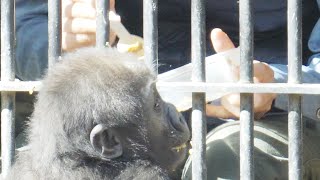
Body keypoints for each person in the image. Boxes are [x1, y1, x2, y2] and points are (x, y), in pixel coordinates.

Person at [14, 0, 320, 178]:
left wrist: (276, 84)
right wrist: (59, 39)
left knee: (232, 158)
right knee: (42, 159)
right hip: (121, 115)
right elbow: (26, 27)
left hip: (273, 115)